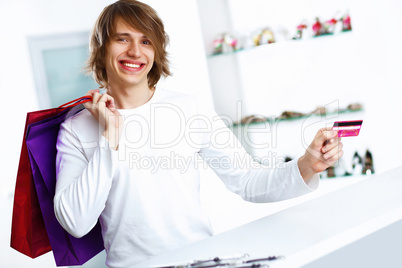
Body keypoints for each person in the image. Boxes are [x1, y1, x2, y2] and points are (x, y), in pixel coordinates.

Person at [53, 1, 343, 267]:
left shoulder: (188, 109)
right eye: (122, 39)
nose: (135, 52)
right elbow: (75, 222)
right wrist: (109, 137)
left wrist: (307, 165)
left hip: (199, 261)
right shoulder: (77, 128)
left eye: (146, 41)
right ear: (102, 48)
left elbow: (248, 181)